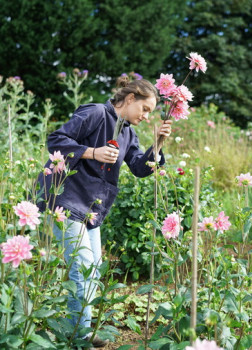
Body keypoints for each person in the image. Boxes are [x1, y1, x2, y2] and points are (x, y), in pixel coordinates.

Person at [37, 76, 172, 347]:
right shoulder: (96, 113)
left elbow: (139, 168)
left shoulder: (127, 133)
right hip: (66, 199)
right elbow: (55, 140)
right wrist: (92, 152)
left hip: (92, 207)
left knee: (93, 269)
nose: (147, 116)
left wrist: (157, 144)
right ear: (130, 98)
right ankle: (78, 336)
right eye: (145, 109)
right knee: (82, 267)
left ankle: (78, 329)